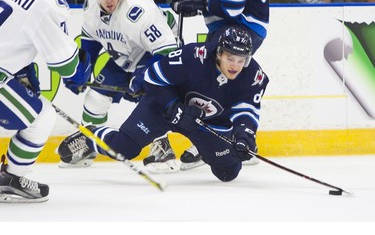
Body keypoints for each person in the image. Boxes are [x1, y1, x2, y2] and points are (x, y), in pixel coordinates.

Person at [57, 26, 269, 183]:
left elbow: (247, 108)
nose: (236, 66)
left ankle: (204, 150)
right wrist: (172, 105)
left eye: (242, 60)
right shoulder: (193, 57)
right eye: (231, 58)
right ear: (220, 53)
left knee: (228, 172)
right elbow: (152, 76)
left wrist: (244, 135)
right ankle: (90, 137)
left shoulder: (254, 76)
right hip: (163, 109)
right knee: (124, 148)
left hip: (205, 122)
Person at [58, 0, 179, 172]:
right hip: (123, 56)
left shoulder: (138, 11)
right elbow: (90, 42)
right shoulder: (90, 7)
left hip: (151, 54)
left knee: (150, 100)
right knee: (95, 98)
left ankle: (162, 147)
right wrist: (80, 71)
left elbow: (167, 50)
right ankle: (90, 144)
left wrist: (143, 77)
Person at [148, 0, 269, 171]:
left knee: (217, 86)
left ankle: (230, 141)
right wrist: (196, 2)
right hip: (226, 27)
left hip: (242, 26)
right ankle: (222, 141)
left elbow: (232, 6)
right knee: (211, 82)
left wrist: (199, 5)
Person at [0, 0, 92, 202]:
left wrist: (17, 69)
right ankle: (11, 179)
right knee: (42, 117)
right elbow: (67, 65)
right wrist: (79, 72)